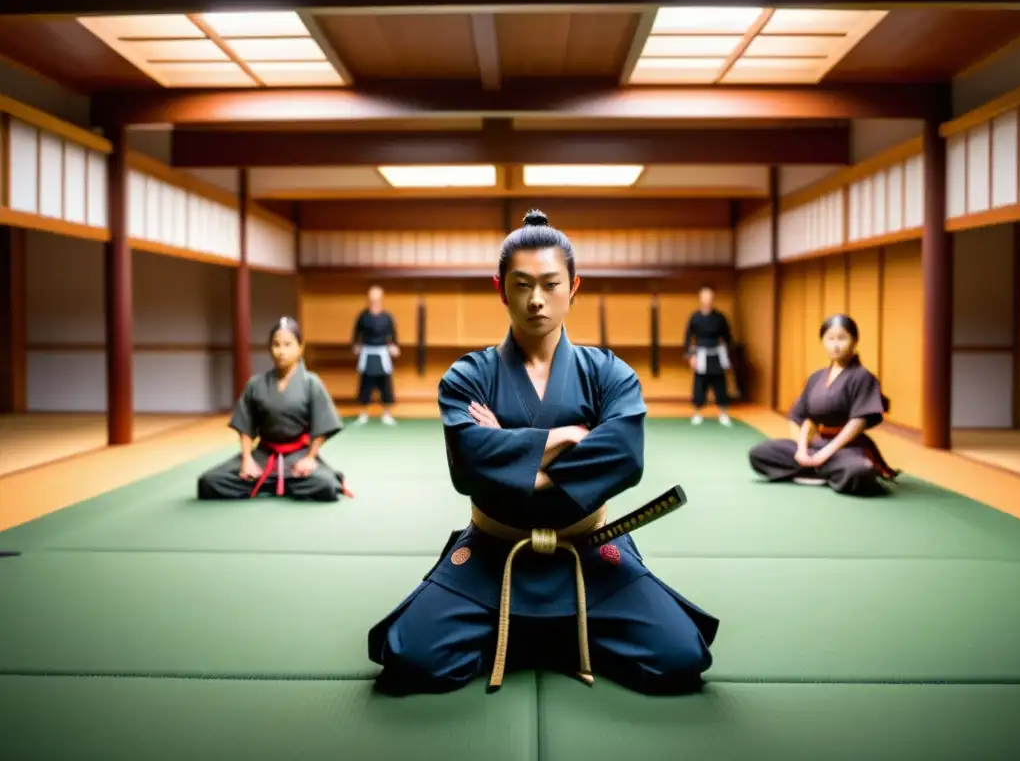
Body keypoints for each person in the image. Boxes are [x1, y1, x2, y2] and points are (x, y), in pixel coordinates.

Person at [367, 210, 718, 696]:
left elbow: (624, 457)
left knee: (680, 658)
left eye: (551, 284)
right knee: (410, 659)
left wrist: (512, 456)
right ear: (500, 287)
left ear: (574, 286)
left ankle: (528, 634)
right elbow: (469, 465)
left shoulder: (608, 372)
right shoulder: (468, 376)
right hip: (494, 551)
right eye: (522, 284)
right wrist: (567, 437)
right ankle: (560, 634)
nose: (536, 300)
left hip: (588, 551)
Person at [196, 316, 350, 502]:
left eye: (288, 344)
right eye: (276, 345)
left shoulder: (312, 383)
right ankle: (279, 482)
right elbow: (245, 425)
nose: (281, 351)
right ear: (270, 348)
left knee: (325, 485)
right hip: (263, 455)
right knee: (208, 482)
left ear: (300, 348)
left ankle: (270, 482)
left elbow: (323, 424)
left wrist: (310, 457)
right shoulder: (256, 384)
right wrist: (247, 459)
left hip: (297, 456)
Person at [748, 314, 900, 496]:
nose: (835, 345)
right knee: (760, 453)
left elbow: (858, 422)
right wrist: (802, 450)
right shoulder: (816, 377)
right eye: (830, 339)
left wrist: (825, 453)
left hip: (846, 448)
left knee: (861, 471)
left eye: (842, 338)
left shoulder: (862, 377)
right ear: (823, 342)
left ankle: (818, 471)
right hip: (816, 445)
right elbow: (806, 418)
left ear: (855, 341)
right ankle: (824, 472)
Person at [684, 286, 733, 426]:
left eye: (710, 297)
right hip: (701, 354)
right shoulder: (695, 317)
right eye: (704, 297)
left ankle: (723, 413)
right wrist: (691, 356)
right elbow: (688, 337)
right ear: (700, 299)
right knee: (699, 384)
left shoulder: (720, 318)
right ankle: (697, 412)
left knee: (720, 383)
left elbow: (728, 337)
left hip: (717, 353)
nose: (707, 300)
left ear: (713, 299)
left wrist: (727, 356)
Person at [352, 285, 400, 425]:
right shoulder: (363, 316)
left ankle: (386, 414)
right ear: (368, 299)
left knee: (385, 384)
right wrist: (356, 344)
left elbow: (393, 333)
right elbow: (356, 333)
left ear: (381, 299)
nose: (374, 301)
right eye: (372, 298)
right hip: (367, 351)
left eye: (377, 298)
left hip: (383, 352)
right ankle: (363, 414)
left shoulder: (387, 317)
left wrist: (394, 345)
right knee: (365, 383)